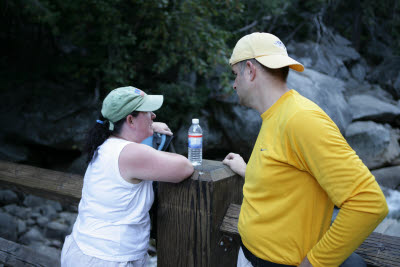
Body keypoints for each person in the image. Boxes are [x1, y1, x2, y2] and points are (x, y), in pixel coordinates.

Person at [222, 32, 388, 267]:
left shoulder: (301, 119)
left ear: (250, 70)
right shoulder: (276, 114)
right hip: (252, 256)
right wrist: (248, 171)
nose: (234, 83)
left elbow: (369, 203)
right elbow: (286, 180)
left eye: (235, 74)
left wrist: (316, 262)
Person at [61, 86, 194, 267]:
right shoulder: (131, 154)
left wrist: (149, 126)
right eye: (147, 112)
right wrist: (151, 131)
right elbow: (184, 167)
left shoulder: (105, 143)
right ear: (130, 120)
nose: (153, 115)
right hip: (107, 259)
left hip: (82, 249)